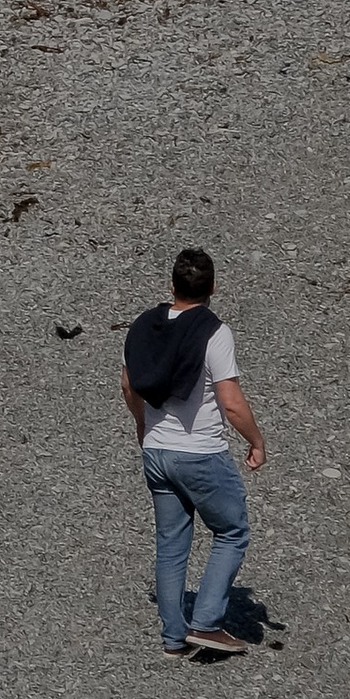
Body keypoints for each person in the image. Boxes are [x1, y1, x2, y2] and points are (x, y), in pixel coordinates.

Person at [121, 247, 266, 660]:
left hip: (157, 451)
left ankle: (173, 639)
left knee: (170, 544)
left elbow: (128, 386)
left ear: (171, 286)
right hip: (200, 453)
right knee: (232, 531)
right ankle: (206, 623)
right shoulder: (214, 332)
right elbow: (232, 402)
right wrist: (256, 441)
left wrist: (142, 425)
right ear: (213, 288)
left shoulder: (143, 327)